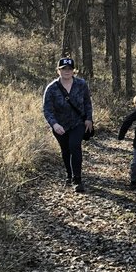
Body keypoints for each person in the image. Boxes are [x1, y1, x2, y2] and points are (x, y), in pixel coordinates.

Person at [43, 56, 94, 193]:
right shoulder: (51, 88)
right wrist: (54, 124)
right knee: (65, 150)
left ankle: (78, 179)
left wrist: (89, 119)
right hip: (60, 125)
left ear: (74, 71)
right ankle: (69, 175)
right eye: (63, 69)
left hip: (78, 123)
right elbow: (47, 109)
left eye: (69, 69)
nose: (67, 71)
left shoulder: (81, 84)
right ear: (58, 71)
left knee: (74, 146)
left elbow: (87, 103)